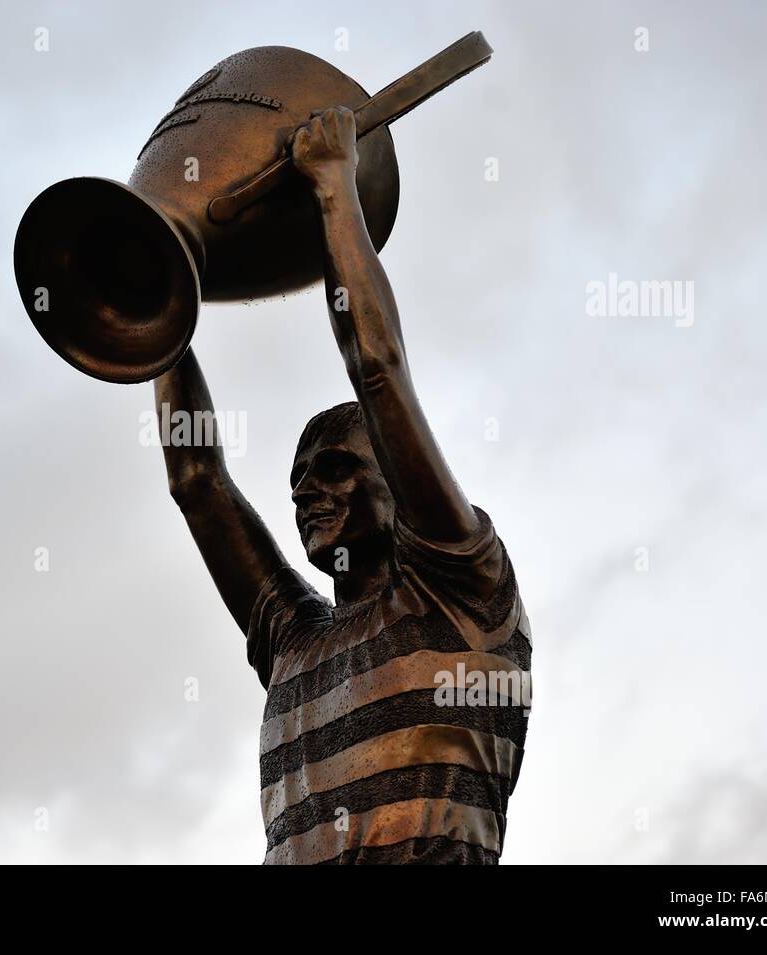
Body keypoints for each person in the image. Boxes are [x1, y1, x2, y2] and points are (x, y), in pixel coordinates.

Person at [153, 106, 531, 864]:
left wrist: (333, 187)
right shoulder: (294, 642)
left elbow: (379, 372)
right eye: (296, 480)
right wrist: (161, 306)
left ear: (396, 476)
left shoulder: (463, 586)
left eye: (335, 469)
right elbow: (197, 481)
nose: (305, 493)